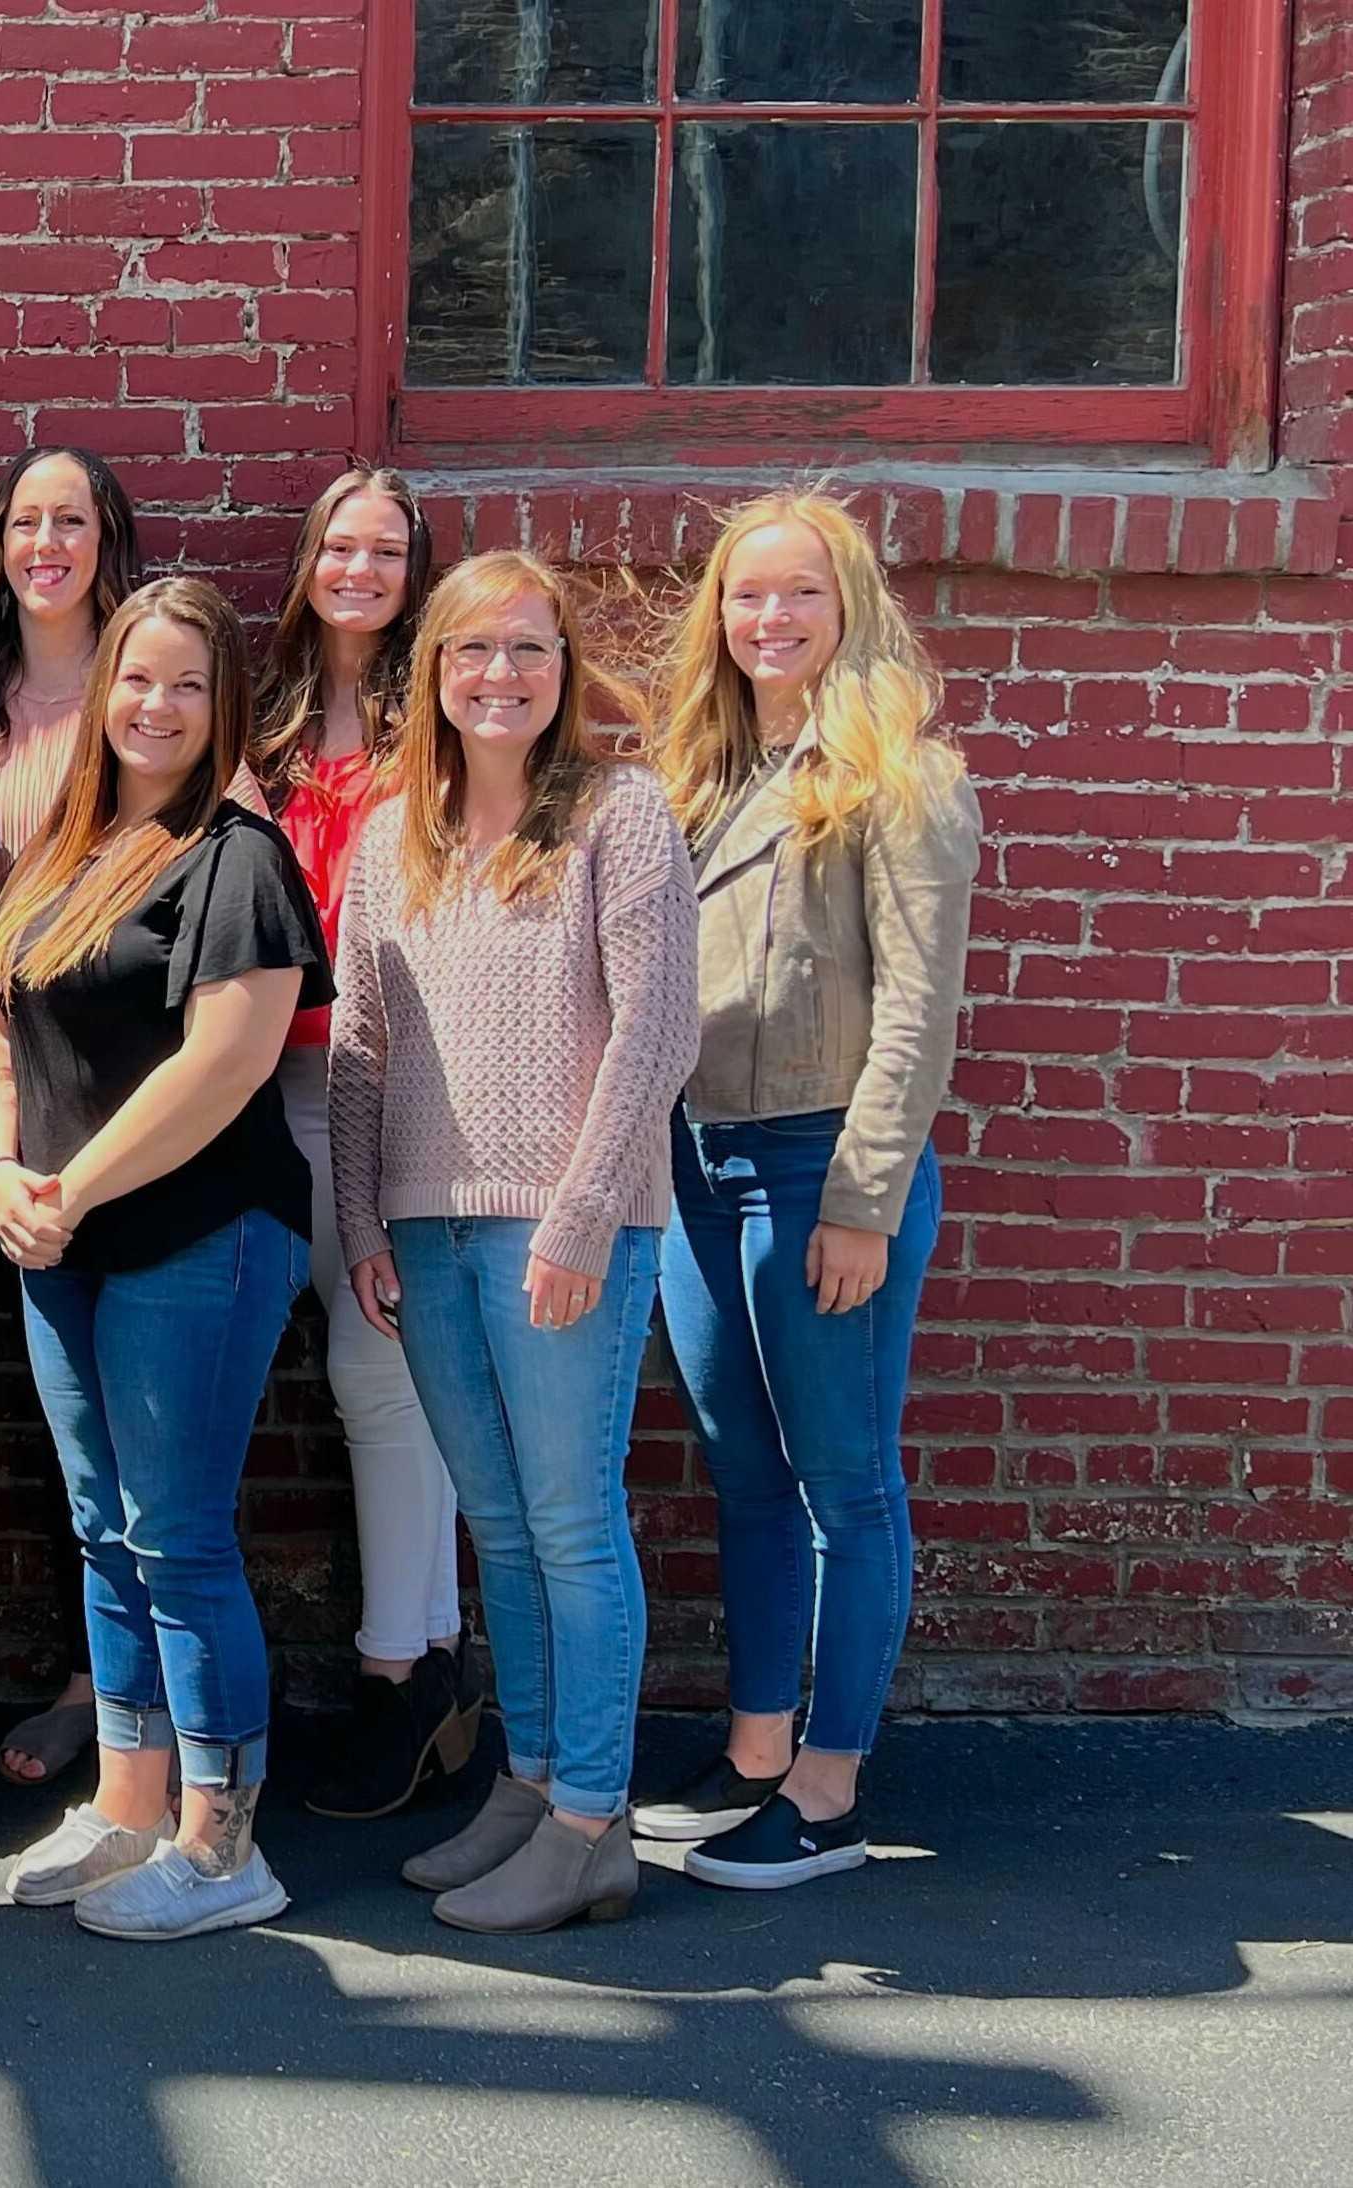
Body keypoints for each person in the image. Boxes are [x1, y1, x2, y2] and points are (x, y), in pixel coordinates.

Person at [330, 551, 698, 1937]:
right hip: (424, 1235)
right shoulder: (390, 836)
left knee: (566, 1522)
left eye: (527, 651)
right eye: (471, 652)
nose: (499, 675)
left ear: (563, 670)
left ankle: (593, 1822)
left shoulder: (620, 815)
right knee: (494, 1526)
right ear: (430, 673)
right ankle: (527, 1783)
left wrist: (583, 1213)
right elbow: (360, 1047)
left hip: (559, 1234)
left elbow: (657, 1030)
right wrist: (364, 1219)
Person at [0, 577, 329, 1942]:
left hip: (197, 1238)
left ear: (219, 701)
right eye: (135, 679)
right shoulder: (60, 850)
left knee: (174, 1540)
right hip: (59, 1239)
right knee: (104, 1535)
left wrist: (68, 1188)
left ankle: (222, 1846)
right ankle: (127, 1810)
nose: (155, 706)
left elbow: (227, 1061)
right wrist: (2, 1173)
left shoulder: (236, 857)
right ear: (99, 691)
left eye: (185, 684)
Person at [635, 493, 979, 1889]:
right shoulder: (694, 772)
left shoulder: (901, 779)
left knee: (840, 1478)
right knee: (744, 1475)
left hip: (818, 1164)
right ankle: (755, 1753)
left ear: (848, 611)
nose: (765, 621)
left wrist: (861, 1198)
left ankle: (829, 1794)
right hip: (696, 1163)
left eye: (797, 597)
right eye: (742, 597)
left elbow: (916, 1009)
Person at [250, 468, 481, 1821]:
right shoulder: (266, 718)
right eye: (335, 545)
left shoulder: (441, 719)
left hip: (391, 1095)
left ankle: (402, 1673)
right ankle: (433, 1668)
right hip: (264, 1081)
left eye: (383, 549)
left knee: (376, 1372)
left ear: (415, 568)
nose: (356, 568)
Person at [0, 446, 152, 1791]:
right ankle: (97, 1681)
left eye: (68, 521)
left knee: (143, 1420)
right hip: (0, 1096)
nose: (44, 544)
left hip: (132, 1100)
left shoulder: (153, 690)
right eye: (23, 522)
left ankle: (133, 1698)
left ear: (104, 540)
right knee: (45, 1414)